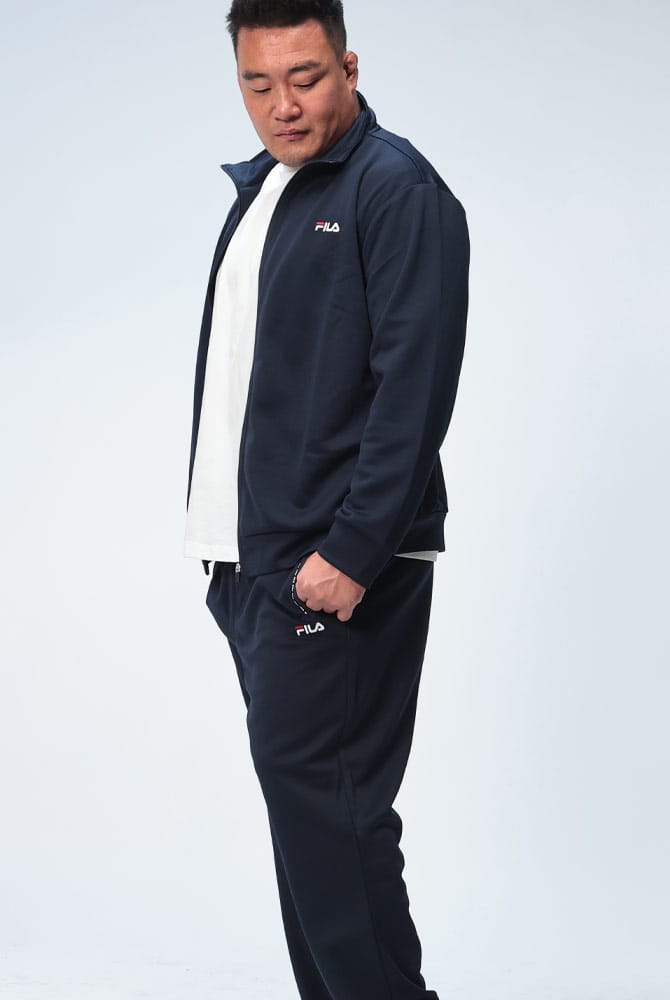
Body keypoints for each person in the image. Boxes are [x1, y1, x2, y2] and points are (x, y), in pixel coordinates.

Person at [183, 1, 469, 996]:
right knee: (313, 832)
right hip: (256, 567)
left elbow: (413, 388)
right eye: (258, 84)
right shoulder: (269, 191)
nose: (283, 105)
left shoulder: (396, 190)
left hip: (335, 565)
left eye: (304, 77)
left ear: (348, 66)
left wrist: (349, 552)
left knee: (335, 824)